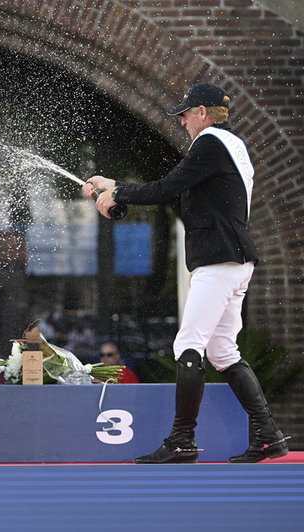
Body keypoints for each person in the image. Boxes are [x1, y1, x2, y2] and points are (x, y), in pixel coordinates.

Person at [83, 82, 288, 464]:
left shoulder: (209, 142)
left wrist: (118, 194)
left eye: (185, 114)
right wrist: (115, 187)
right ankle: (269, 435)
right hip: (235, 259)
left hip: (218, 261)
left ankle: (182, 440)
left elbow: (168, 187)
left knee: (188, 345)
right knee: (223, 350)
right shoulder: (232, 146)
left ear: (203, 113)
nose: (182, 122)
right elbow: (179, 192)